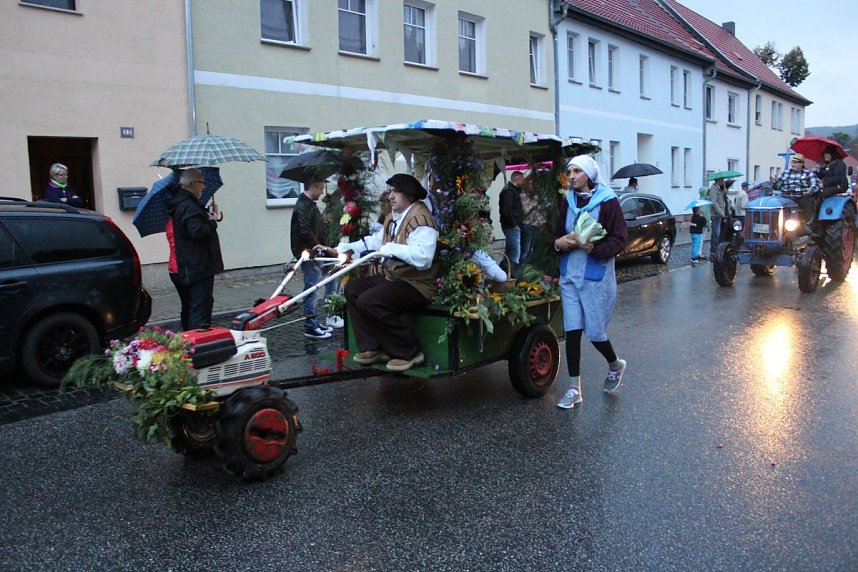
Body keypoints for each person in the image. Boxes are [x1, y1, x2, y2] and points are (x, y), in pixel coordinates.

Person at [315, 174, 439, 372]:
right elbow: (374, 241)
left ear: (410, 194)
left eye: (395, 191)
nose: (390, 196)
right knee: (353, 289)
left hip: (418, 285)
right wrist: (342, 249)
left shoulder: (422, 219)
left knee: (370, 300)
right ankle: (373, 347)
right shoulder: (393, 218)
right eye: (390, 191)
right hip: (394, 278)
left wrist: (389, 249)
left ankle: (411, 351)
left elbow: (423, 257)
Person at [553, 155, 628, 409]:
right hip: (569, 277)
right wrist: (558, 243)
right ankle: (575, 389)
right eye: (569, 171)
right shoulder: (567, 202)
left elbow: (619, 240)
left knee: (595, 333)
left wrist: (592, 247)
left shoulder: (608, 203)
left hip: (595, 278)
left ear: (589, 175)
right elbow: (555, 234)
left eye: (577, 171)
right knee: (572, 332)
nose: (571, 176)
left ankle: (615, 365)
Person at [166, 168, 224, 330]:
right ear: (192, 184)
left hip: (189, 265)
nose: (204, 187)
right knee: (200, 308)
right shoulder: (188, 205)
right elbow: (196, 231)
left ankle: (188, 343)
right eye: (202, 183)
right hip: (197, 266)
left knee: (190, 307)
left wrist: (206, 214)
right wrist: (211, 222)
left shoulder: (182, 203)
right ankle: (197, 346)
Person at [291, 179, 334, 339]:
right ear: (313, 187)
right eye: (321, 188)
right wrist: (317, 246)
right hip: (309, 253)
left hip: (313, 251)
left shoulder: (309, 204)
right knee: (311, 288)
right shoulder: (303, 205)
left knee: (314, 287)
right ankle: (310, 325)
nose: (322, 192)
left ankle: (314, 321)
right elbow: (304, 229)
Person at [771, 153, 819, 225]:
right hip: (787, 197)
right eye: (792, 162)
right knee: (776, 205)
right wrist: (775, 183)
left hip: (802, 197)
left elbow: (815, 185)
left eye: (796, 163)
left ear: (802, 164)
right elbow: (779, 186)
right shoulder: (785, 173)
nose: (793, 164)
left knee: (809, 203)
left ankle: (808, 225)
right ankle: (776, 224)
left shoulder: (808, 173)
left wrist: (810, 191)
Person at [499, 171, 525, 277]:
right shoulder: (509, 191)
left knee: (510, 251)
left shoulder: (511, 190)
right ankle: (514, 275)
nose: (523, 181)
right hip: (510, 226)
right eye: (522, 179)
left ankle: (504, 272)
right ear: (517, 178)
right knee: (515, 252)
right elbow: (507, 210)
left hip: (510, 225)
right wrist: (514, 224)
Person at [519, 175, 545, 265]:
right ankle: (521, 269)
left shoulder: (536, 195)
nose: (533, 186)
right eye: (530, 184)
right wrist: (535, 204)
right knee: (526, 249)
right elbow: (526, 210)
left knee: (532, 249)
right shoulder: (523, 195)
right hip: (527, 224)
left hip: (537, 225)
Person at [707, 176, 729, 256]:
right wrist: (721, 212)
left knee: (719, 233)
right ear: (718, 180)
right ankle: (713, 251)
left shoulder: (719, 188)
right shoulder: (713, 188)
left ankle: (717, 250)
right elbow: (714, 202)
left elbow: (721, 198)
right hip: (716, 214)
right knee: (715, 233)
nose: (723, 181)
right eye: (722, 179)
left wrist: (725, 192)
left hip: (719, 214)